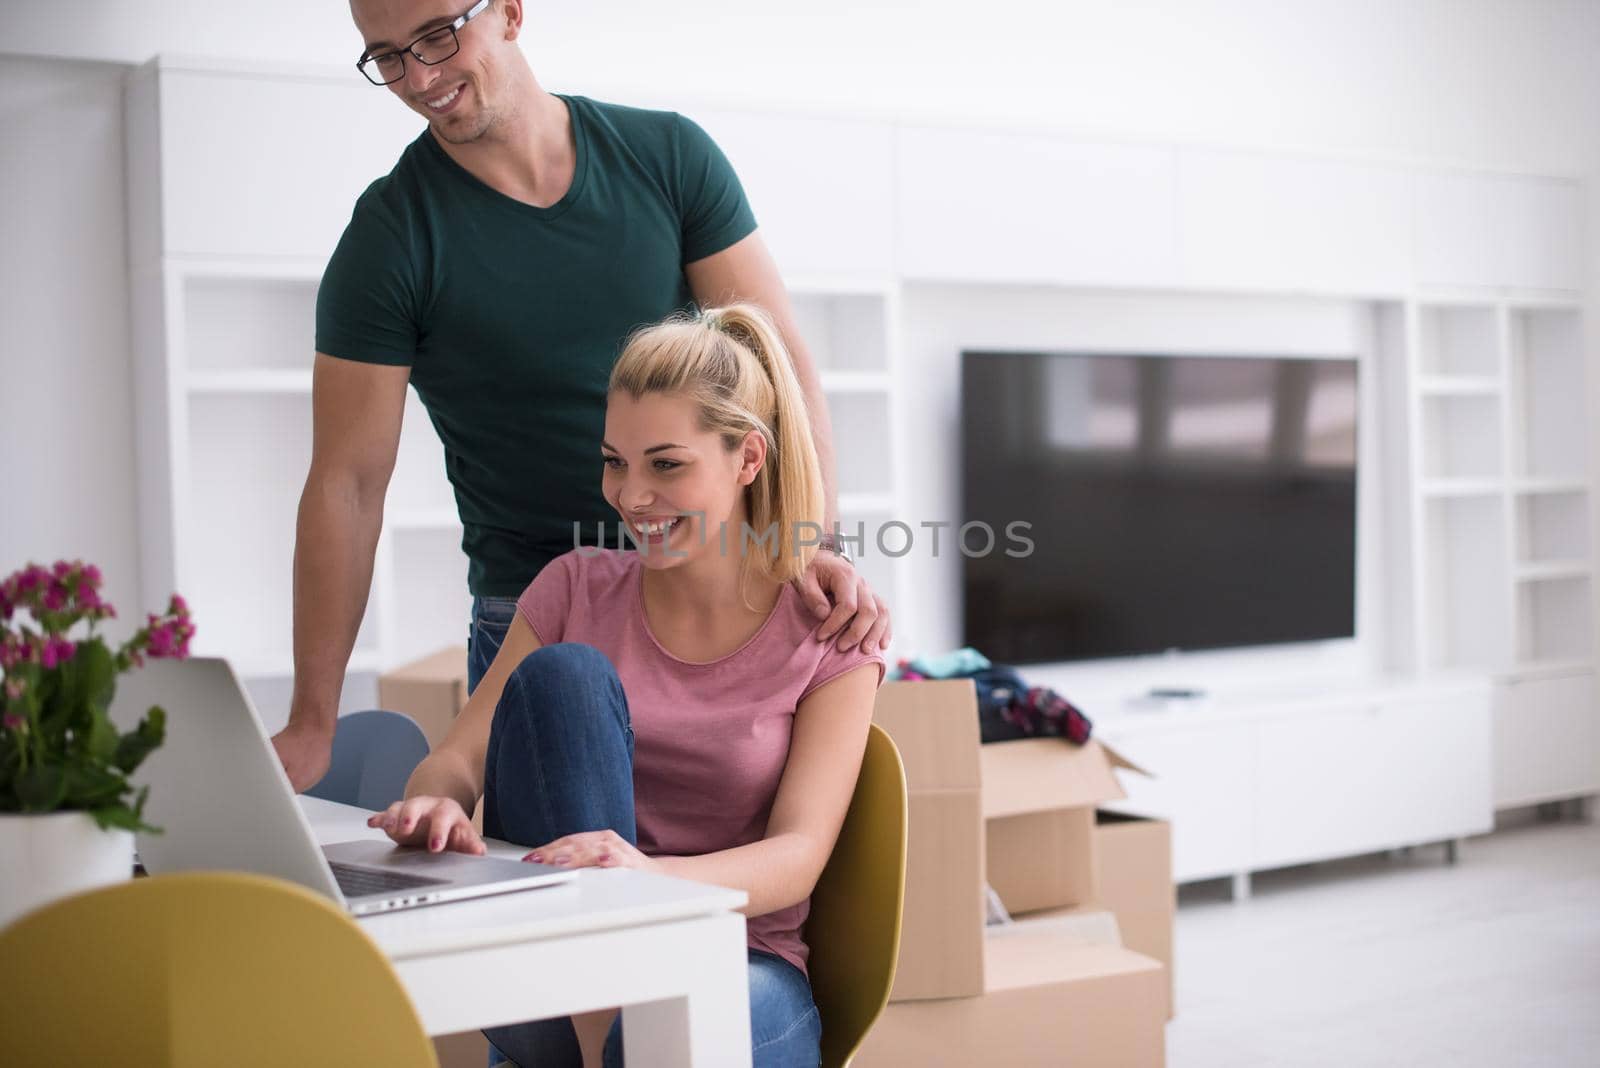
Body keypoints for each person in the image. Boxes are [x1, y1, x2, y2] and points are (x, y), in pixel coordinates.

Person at [270, 0, 891, 791]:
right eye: (386, 57)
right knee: (566, 895)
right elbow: (347, 485)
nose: (419, 77)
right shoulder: (391, 239)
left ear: (509, 12)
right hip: (540, 623)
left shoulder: (667, 157)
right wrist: (313, 720)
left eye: (437, 36)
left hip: (720, 605)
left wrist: (812, 545)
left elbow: (781, 367)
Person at [369, 303, 884, 1067]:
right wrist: (435, 801)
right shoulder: (573, 590)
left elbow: (799, 855)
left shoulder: (825, 630)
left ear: (748, 458)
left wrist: (646, 880)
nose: (632, 495)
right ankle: (607, 1022)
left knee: (659, 1036)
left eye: (666, 464)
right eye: (615, 461)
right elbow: (453, 763)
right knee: (564, 677)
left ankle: (617, 1033)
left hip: (735, 969)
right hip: (561, 979)